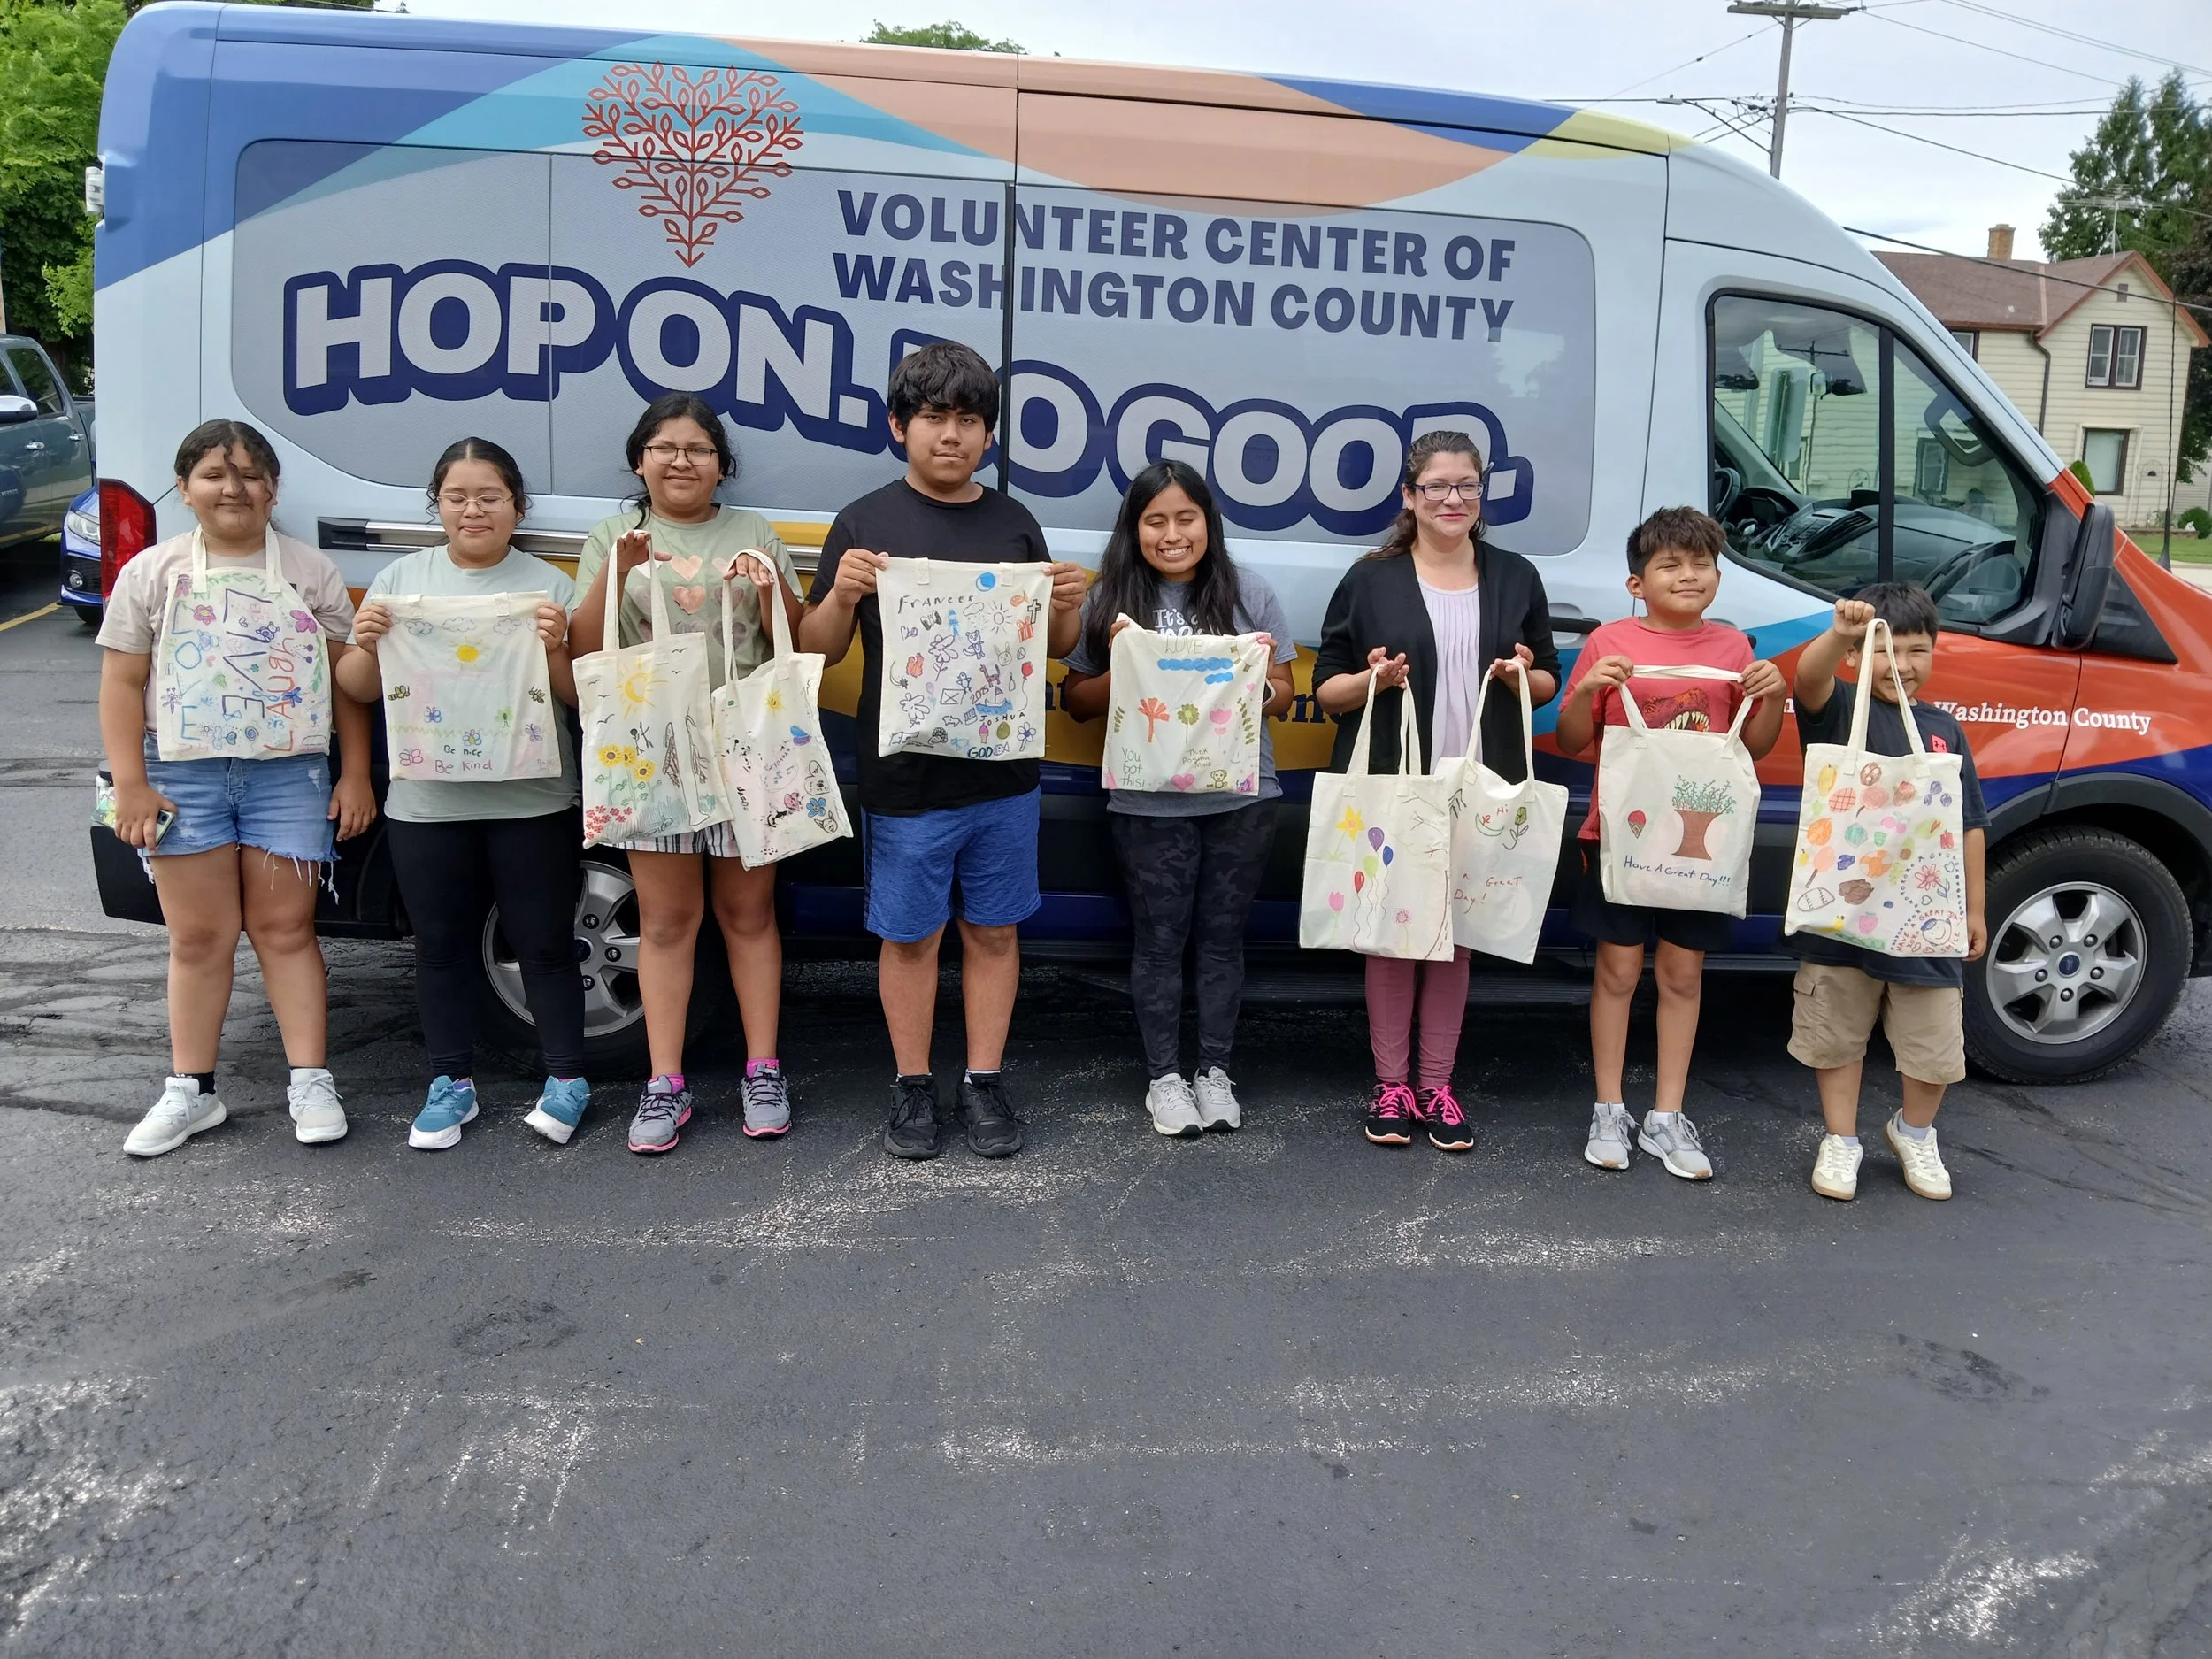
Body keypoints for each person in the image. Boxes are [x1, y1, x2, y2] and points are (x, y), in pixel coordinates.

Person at [799, 340, 1087, 1160]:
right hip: (905, 780)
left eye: (968, 420)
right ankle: (913, 1085)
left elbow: (1056, 647)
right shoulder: (863, 522)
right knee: (911, 937)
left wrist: (1065, 604)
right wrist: (844, 591)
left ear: (989, 436)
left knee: (995, 931)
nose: (951, 435)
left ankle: (985, 1081)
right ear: (900, 427)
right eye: (933, 417)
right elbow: (818, 651)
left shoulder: (1014, 523)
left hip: (1004, 775)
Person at [96, 419, 377, 1156]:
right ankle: (191, 1090)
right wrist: (130, 782)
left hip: (290, 774)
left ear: (274, 488)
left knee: (287, 931)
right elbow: (123, 683)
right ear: (185, 488)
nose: (235, 488)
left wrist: (354, 773)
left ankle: (310, 1079)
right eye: (216, 474)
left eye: (252, 474)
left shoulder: (309, 571)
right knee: (198, 937)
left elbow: (350, 685)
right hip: (180, 774)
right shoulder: (150, 574)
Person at [568, 394, 805, 1155]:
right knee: (668, 922)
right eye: (664, 447)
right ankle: (664, 1081)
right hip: (652, 749)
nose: (681, 460)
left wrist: (769, 586)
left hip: (744, 742)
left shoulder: (754, 530)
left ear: (722, 465)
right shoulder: (614, 533)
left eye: (698, 449)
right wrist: (618, 570)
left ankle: (762, 1070)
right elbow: (582, 646)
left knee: (749, 915)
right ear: (640, 460)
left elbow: (790, 643)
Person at [337, 438, 589, 1150]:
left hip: (533, 798)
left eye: (490, 496)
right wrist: (364, 641)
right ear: (437, 506)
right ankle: (451, 1083)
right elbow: (357, 688)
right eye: (457, 496)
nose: (473, 509)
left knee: (544, 944)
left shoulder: (549, 587)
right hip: (427, 804)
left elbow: (579, 700)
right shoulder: (399, 580)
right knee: (441, 947)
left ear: (517, 507)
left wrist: (556, 646)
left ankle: (567, 1078)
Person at [1312, 431, 1561, 1153]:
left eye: (1468, 486)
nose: (1454, 499)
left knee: (1456, 937)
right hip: (1397, 782)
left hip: (1480, 785)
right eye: (1437, 486)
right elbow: (1327, 690)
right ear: (1409, 497)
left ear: (1482, 495)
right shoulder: (1371, 579)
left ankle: (1437, 1086)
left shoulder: (1514, 575)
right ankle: (1390, 1085)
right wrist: (1371, 681)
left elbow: (1545, 678)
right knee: (1393, 934)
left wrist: (1522, 675)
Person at [1060, 461, 1297, 1137]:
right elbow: (1076, 703)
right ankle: (1164, 1078)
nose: (1172, 534)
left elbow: (1282, 694)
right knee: (1159, 942)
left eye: (1185, 518)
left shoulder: (1249, 591)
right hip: (1147, 800)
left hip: (1242, 793)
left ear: (1208, 522)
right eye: (1155, 520)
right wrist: (1121, 661)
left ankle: (1214, 1072)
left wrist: (1258, 674)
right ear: (1134, 528)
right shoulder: (1110, 601)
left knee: (1223, 940)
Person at [1554, 506, 1787, 1180]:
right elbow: (1573, 740)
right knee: (1617, 971)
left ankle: (1666, 1113)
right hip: (1620, 835)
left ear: (1718, 574)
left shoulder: (1735, 649)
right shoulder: (1608, 641)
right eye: (1669, 565)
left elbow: (1753, 747)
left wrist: (1770, 696)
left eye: (1700, 564)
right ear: (1637, 582)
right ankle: (1608, 1106)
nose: (1688, 575)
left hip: (1700, 843)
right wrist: (1588, 690)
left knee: (1684, 975)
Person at [1787, 585, 1987, 1202]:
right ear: (1857, 655)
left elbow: (1969, 823)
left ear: (1934, 652)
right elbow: (1808, 678)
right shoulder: (1839, 706)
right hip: (1840, 911)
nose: (1902, 664)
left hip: (1925, 918)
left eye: (1917, 649)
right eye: (1886, 650)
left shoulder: (1944, 730)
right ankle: (1841, 1139)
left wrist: (1973, 907)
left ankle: (1914, 1131)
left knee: (1934, 1044)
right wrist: (1842, 633)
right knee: (1836, 1031)